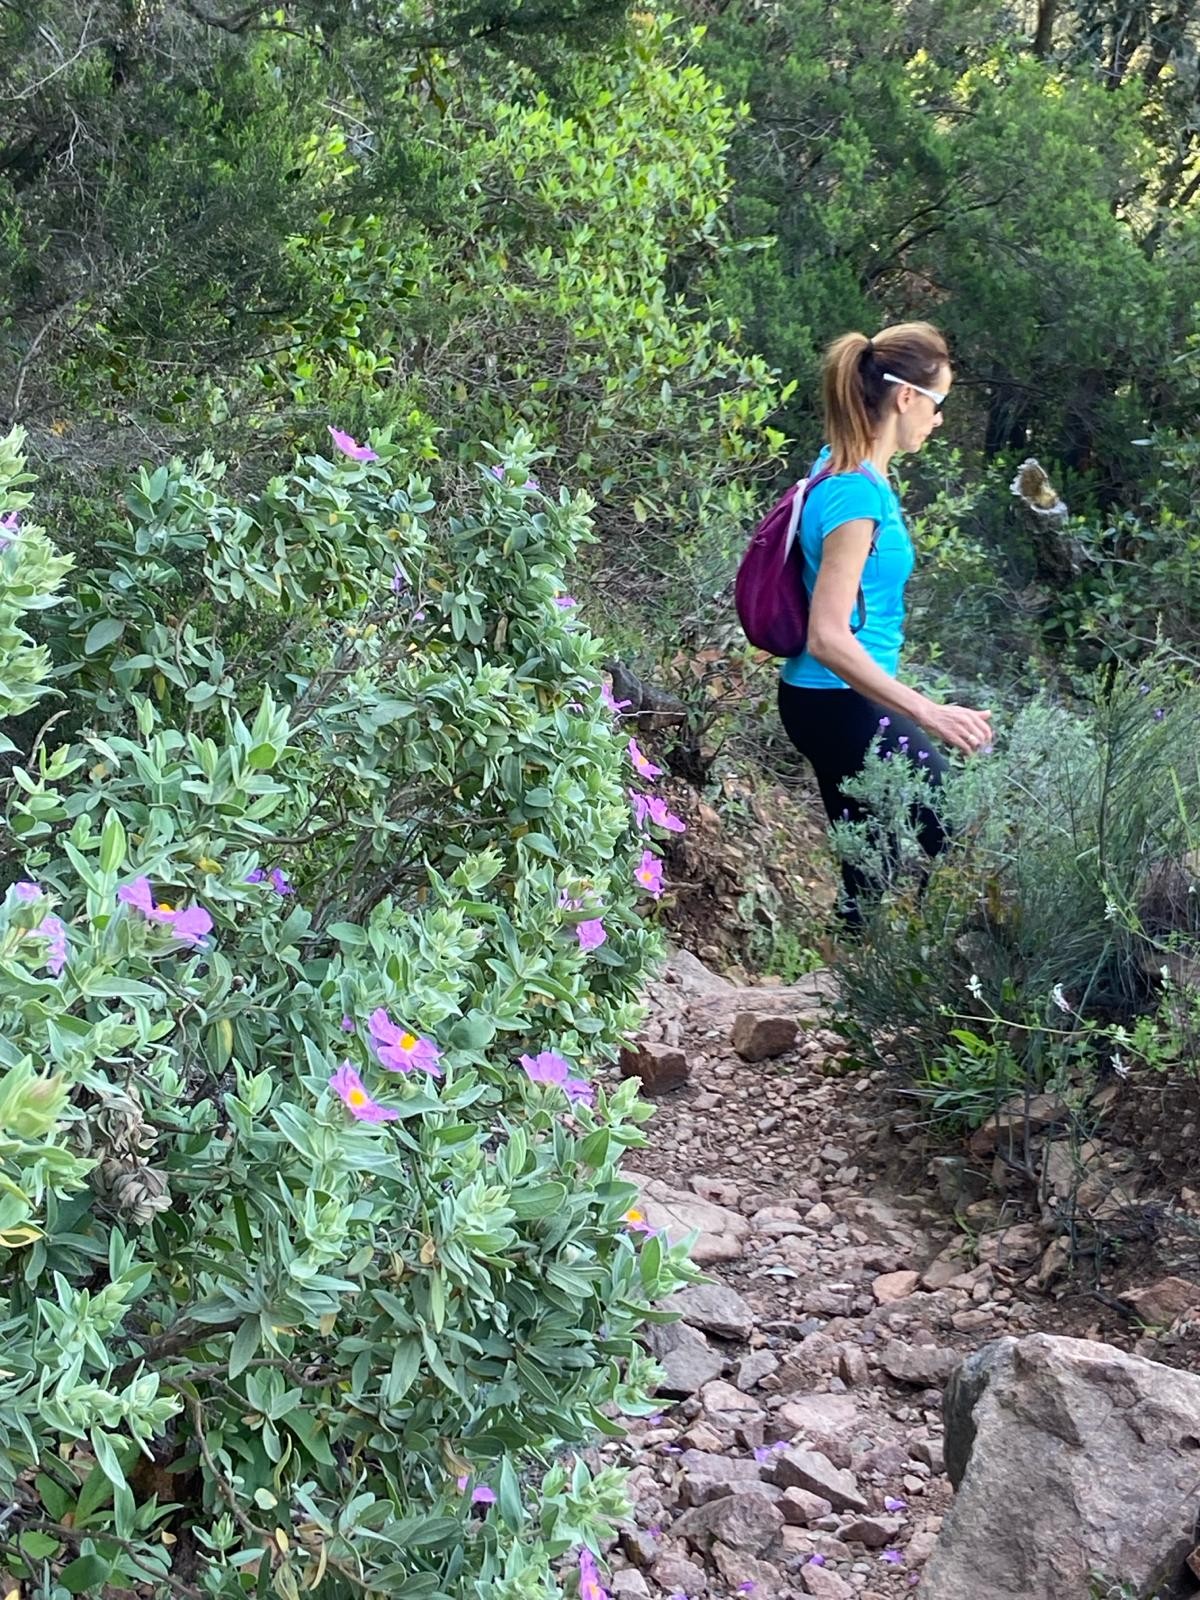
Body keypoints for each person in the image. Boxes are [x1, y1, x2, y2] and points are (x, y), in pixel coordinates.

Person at [777, 321, 992, 926]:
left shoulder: (846, 471)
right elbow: (827, 635)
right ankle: (957, 966)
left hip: (834, 700)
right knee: (954, 825)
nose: (939, 419)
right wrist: (928, 711)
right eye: (938, 402)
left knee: (871, 871)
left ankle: (848, 970)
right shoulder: (855, 493)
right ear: (905, 397)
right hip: (836, 701)